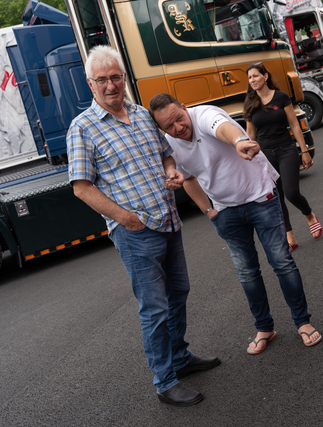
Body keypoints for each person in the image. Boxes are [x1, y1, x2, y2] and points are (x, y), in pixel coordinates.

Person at [67, 45, 220, 407]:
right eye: (102, 79)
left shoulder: (139, 113)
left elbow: (166, 155)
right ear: (90, 83)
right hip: (135, 232)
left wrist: (171, 171)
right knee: (154, 308)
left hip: (168, 220)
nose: (110, 85)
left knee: (178, 293)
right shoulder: (83, 128)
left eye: (115, 77)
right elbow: (81, 187)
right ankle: (165, 380)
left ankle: (179, 358)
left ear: (123, 77)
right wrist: (123, 217)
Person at [148, 93, 322, 356]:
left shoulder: (205, 115)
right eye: (168, 126)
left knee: (281, 262)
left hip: (259, 197)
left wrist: (240, 140)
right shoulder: (170, 143)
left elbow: (224, 128)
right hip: (225, 210)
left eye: (179, 119)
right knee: (247, 273)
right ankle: (264, 328)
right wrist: (208, 211)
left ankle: (303, 321)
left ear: (185, 108)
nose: (178, 128)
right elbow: (190, 178)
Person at [243, 63, 322, 252]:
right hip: (265, 155)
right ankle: (289, 235)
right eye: (250, 78)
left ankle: (309, 214)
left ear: (265, 77)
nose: (252, 80)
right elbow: (250, 134)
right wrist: (247, 159)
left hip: (286, 149)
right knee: (276, 197)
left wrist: (304, 151)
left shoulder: (281, 97)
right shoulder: (250, 103)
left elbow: (294, 125)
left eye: (255, 76)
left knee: (291, 192)